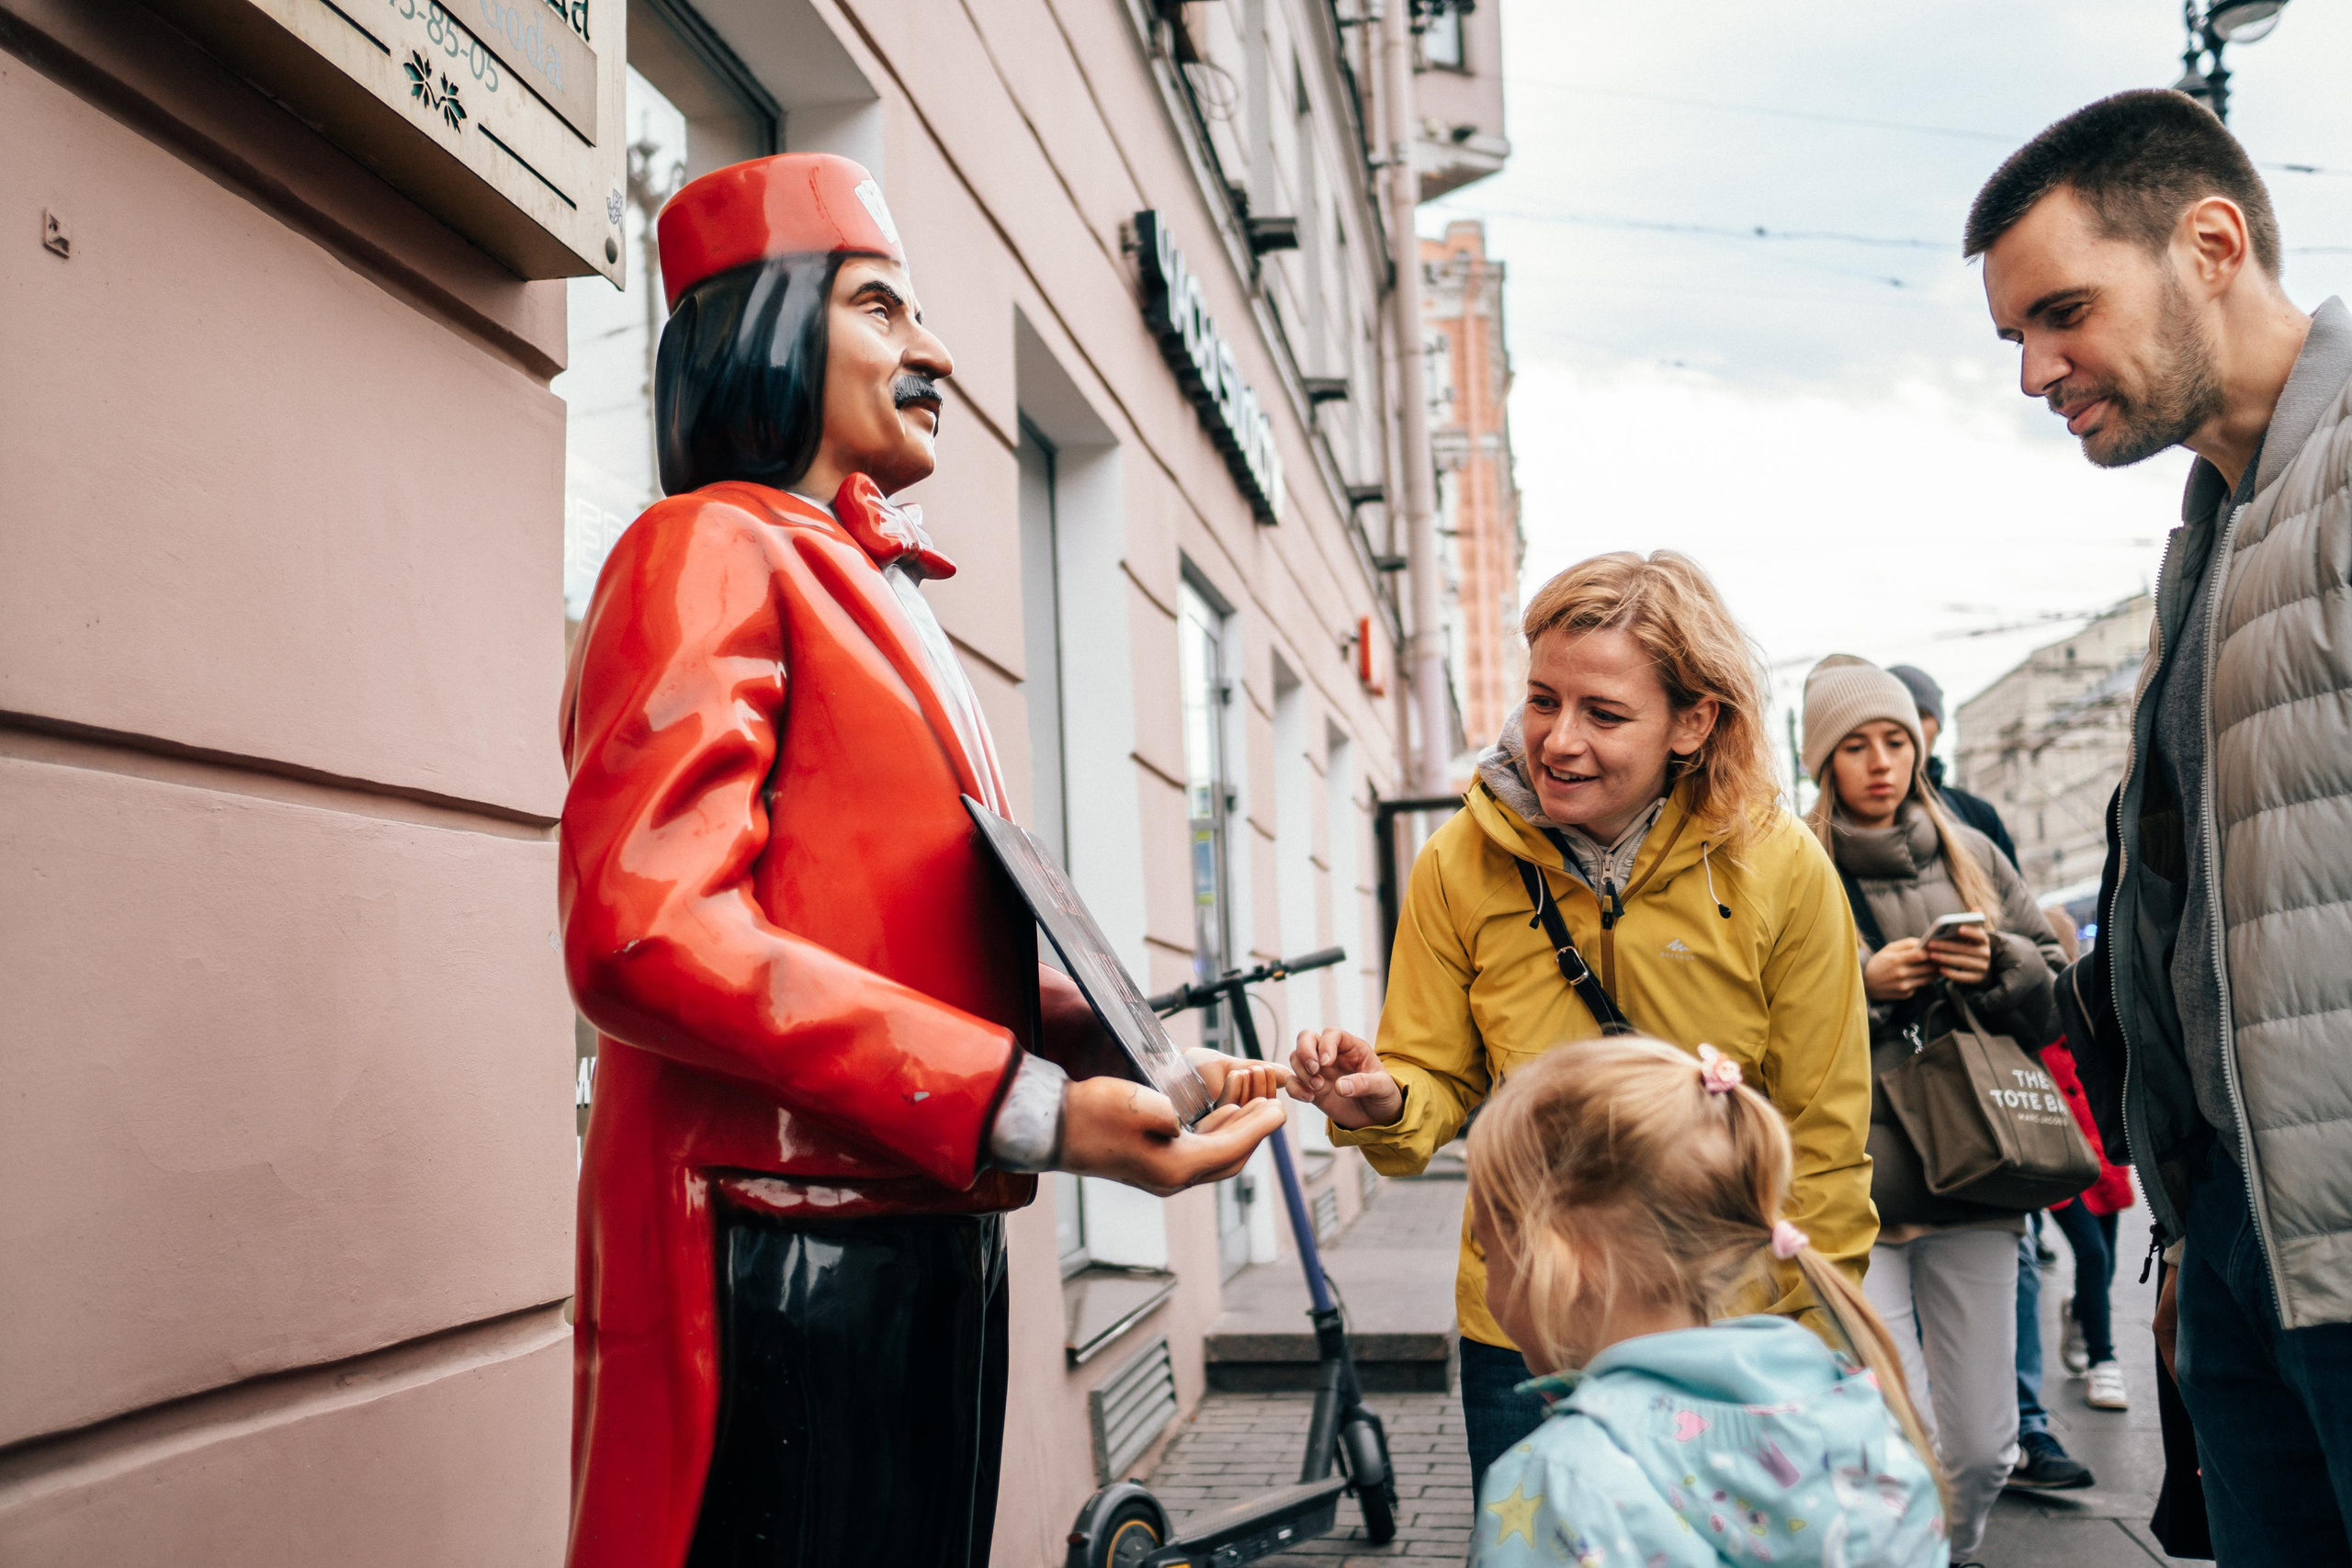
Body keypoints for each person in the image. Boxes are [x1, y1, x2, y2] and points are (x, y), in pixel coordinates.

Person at [558, 153, 1288, 1568]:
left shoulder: (861, 580)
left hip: (909, 1220)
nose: (933, 348)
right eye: (883, 306)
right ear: (771, 326)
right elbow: (644, 927)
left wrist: (1114, 1061)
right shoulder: (702, 547)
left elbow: (912, 932)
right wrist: (1030, 1107)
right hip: (779, 1244)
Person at [1970, 87, 2352, 1562]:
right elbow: (2214, 925)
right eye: (2014, 335)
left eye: (2061, 311)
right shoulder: (2216, 530)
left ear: (2210, 242)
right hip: (2254, 1249)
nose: (2035, 370)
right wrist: (2200, 1230)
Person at [1288, 551, 1877, 1498]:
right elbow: (1431, 1086)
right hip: (1527, 1329)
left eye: (1602, 714)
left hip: (1722, 1325)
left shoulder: (1780, 865)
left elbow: (1824, 1134)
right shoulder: (1455, 864)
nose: (1556, 742)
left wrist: (1807, 1338)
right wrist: (1382, 1103)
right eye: (1540, 700)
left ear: (1693, 722)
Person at [1466, 1036, 1947, 1568]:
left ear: (1564, 1263)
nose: (1487, 1280)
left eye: (1489, 1253)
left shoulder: (1559, 1481)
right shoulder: (1855, 1414)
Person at [1803, 654, 2072, 1557]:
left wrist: (2002, 963)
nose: (1881, 761)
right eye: (1854, 745)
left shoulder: (1973, 851)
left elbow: (2054, 994)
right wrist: (1861, 985)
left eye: (1894, 739)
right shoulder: (1793, 867)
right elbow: (1763, 1021)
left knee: (1985, 1448)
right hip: (1856, 1192)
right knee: (1893, 1434)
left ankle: (1946, 1550)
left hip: (1979, 1173)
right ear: (1821, 761)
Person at [1887, 664, 2018, 870]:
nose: (1910, 726)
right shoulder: (1849, 819)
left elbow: (2012, 895)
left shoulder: (1976, 813)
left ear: (1937, 726)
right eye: (1900, 714)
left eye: (1921, 716)